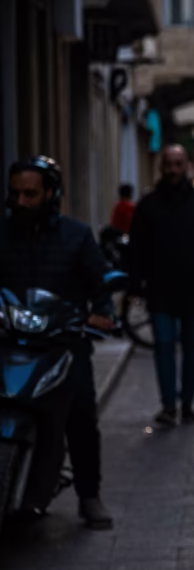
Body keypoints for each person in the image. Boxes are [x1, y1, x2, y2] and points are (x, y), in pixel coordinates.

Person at [1, 157, 116, 528]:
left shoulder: (77, 235)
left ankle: (89, 495)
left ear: (51, 193)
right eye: (15, 193)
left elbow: (99, 282)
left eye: (30, 194)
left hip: (63, 340)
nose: (21, 201)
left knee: (81, 413)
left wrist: (101, 311)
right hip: (9, 338)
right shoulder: (3, 233)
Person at [128, 146, 194, 427]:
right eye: (169, 164)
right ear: (162, 167)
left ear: (186, 166)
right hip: (160, 289)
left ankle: (187, 403)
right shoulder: (148, 205)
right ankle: (168, 405)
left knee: (192, 349)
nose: (174, 170)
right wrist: (134, 286)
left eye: (178, 164)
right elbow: (137, 249)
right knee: (163, 345)